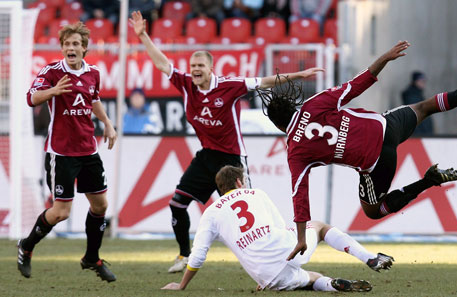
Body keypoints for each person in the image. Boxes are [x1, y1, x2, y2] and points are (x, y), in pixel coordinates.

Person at [257, 40, 457, 259]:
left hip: (377, 161)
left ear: (278, 125)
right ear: (293, 106)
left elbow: (300, 194)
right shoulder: (313, 104)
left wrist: (302, 237)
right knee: (424, 107)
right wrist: (384, 58)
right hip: (385, 126)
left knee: (373, 211)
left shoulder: (295, 151)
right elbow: (356, 85)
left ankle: (427, 182)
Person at [129, 10, 324, 273]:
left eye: (200, 67)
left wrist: (297, 76)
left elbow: (263, 82)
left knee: (250, 215)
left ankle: (279, 256)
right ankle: (184, 255)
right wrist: (143, 36)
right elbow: (163, 63)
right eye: (193, 67)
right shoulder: (186, 84)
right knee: (177, 204)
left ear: (211, 69)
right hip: (207, 156)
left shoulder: (229, 86)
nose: (195, 71)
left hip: (232, 159)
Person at [161, 165, 393, 292]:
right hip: (287, 248)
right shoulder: (256, 193)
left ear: (220, 189)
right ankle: (370, 258)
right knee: (320, 227)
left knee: (312, 279)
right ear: (240, 182)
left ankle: (332, 285)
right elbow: (281, 226)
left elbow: (199, 255)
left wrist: (182, 286)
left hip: (265, 274)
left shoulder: (211, 213)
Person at [19, 22, 117, 282]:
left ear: (84, 48)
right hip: (60, 152)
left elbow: (94, 100)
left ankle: (91, 258)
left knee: (101, 205)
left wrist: (107, 124)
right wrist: (52, 91)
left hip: (88, 149)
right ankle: (26, 246)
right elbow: (30, 98)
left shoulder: (93, 73)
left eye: (76, 44)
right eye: (67, 44)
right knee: (61, 213)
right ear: (62, 47)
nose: (70, 48)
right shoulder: (52, 71)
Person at [401, 71, 434, 135]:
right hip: (418, 134)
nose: (423, 83)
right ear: (415, 81)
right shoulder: (411, 96)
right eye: (421, 81)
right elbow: (416, 116)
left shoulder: (418, 95)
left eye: (424, 81)